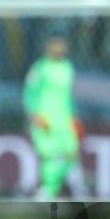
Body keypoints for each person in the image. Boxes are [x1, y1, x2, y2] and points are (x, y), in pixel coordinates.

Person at [23, 35, 82, 199]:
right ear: (48, 47)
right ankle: (48, 191)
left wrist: (74, 115)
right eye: (55, 45)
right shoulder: (40, 68)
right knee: (50, 156)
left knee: (71, 153)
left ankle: (52, 189)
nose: (58, 48)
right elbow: (29, 92)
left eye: (61, 45)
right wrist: (34, 113)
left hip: (65, 119)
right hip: (45, 118)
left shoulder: (68, 67)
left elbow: (69, 95)